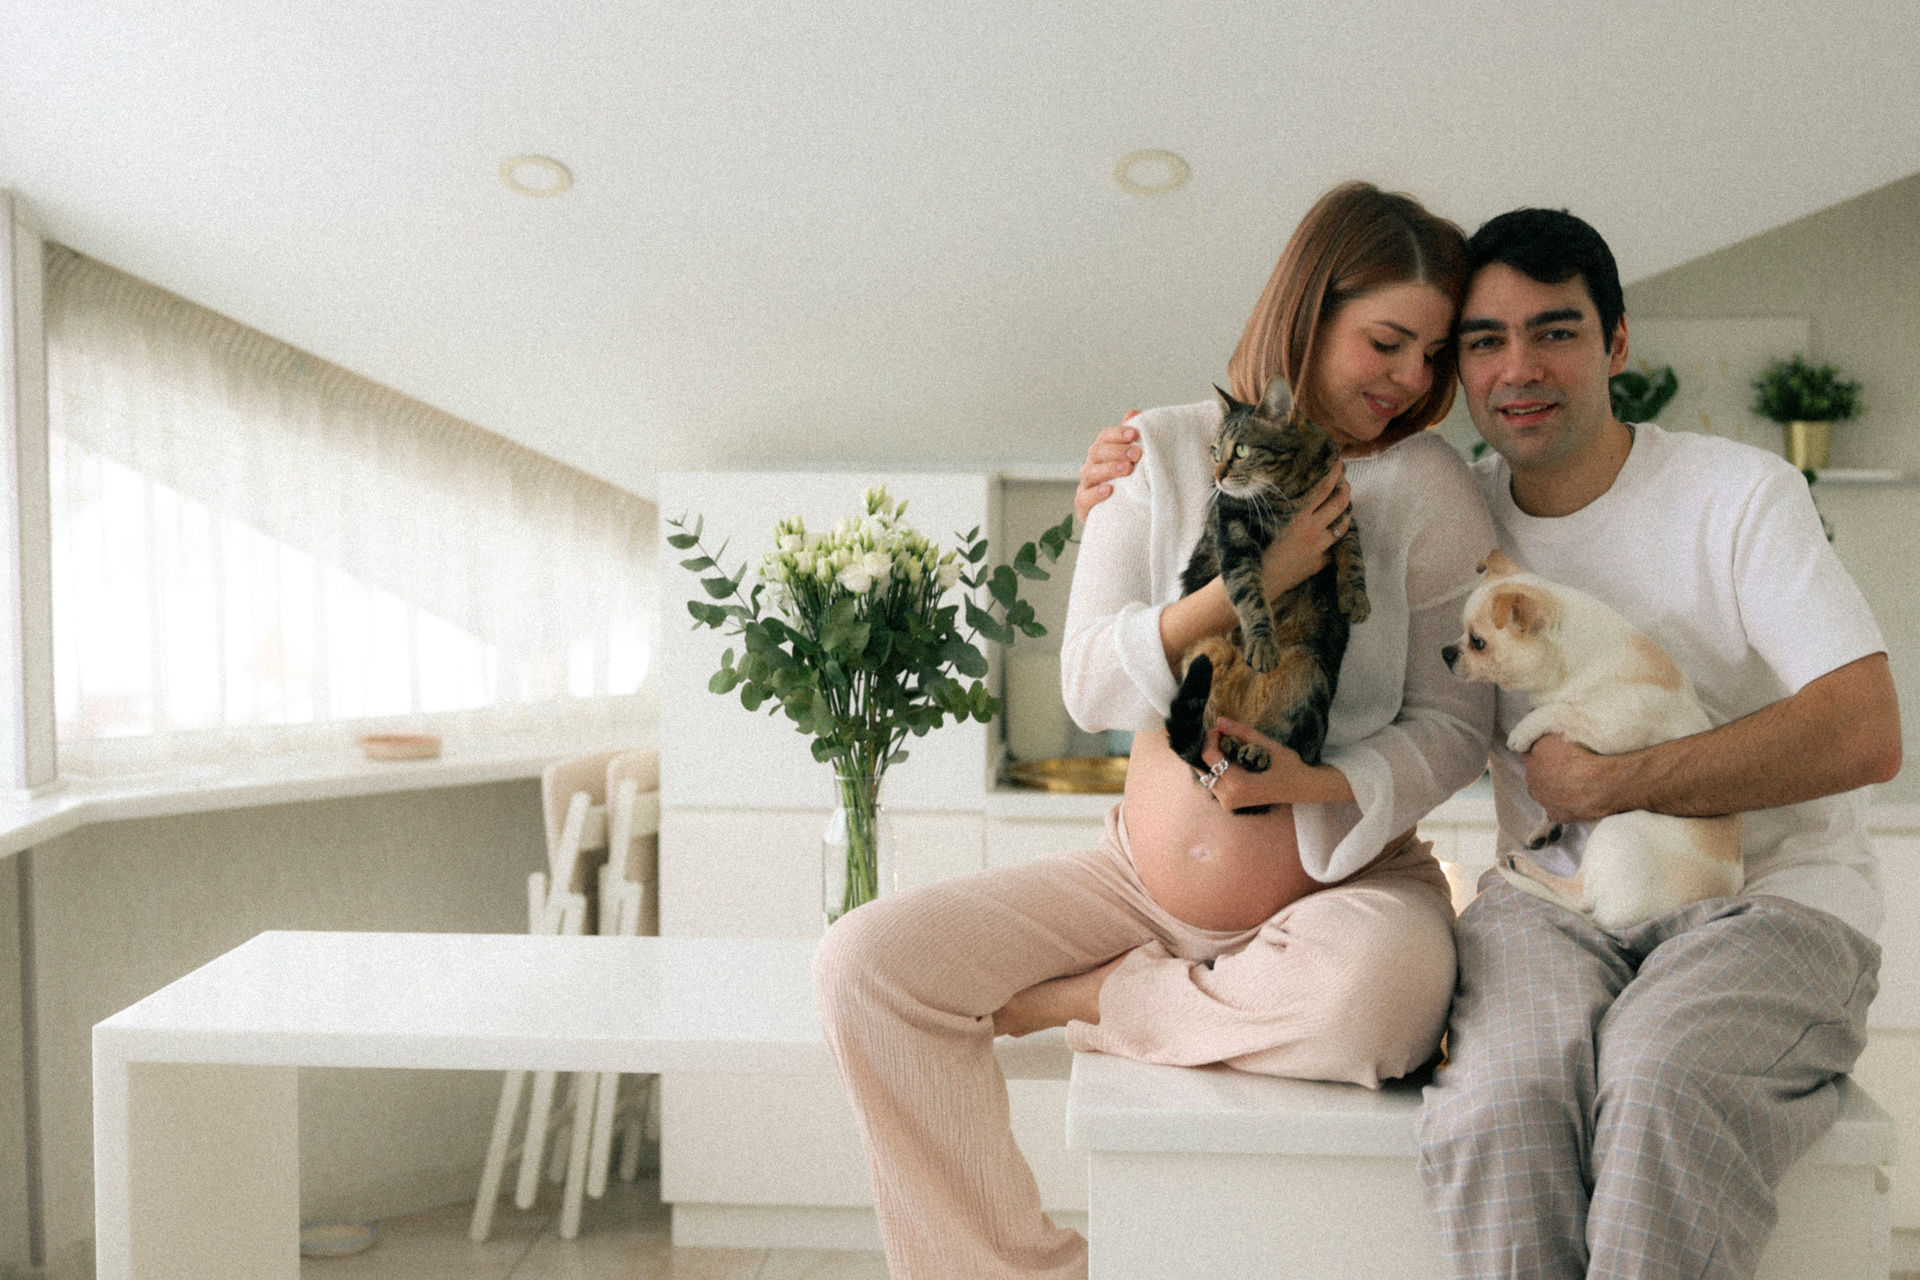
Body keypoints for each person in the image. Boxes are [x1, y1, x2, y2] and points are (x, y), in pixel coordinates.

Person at [812, 180, 1501, 1280]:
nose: (1412, 380)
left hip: (1345, 886)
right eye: (1386, 342)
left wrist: (1318, 784)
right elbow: (1090, 685)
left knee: (1384, 998)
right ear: (1309, 309)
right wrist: (1240, 588)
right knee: (866, 965)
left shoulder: (1429, 484)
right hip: (1131, 886)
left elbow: (1457, 726)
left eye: (1431, 354)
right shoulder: (1163, 448)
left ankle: (1102, 998)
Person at [1408, 208, 1900, 1280]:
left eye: (1557, 330)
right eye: (1486, 340)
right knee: (1502, 1097)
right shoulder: (1450, 519)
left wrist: (1612, 782)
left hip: (1773, 902)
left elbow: (1865, 730)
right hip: (1552, 902)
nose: (1519, 367)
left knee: (1660, 1074)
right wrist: (1143, 474)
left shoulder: (1740, 496)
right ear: (1457, 367)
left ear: (1618, 342)